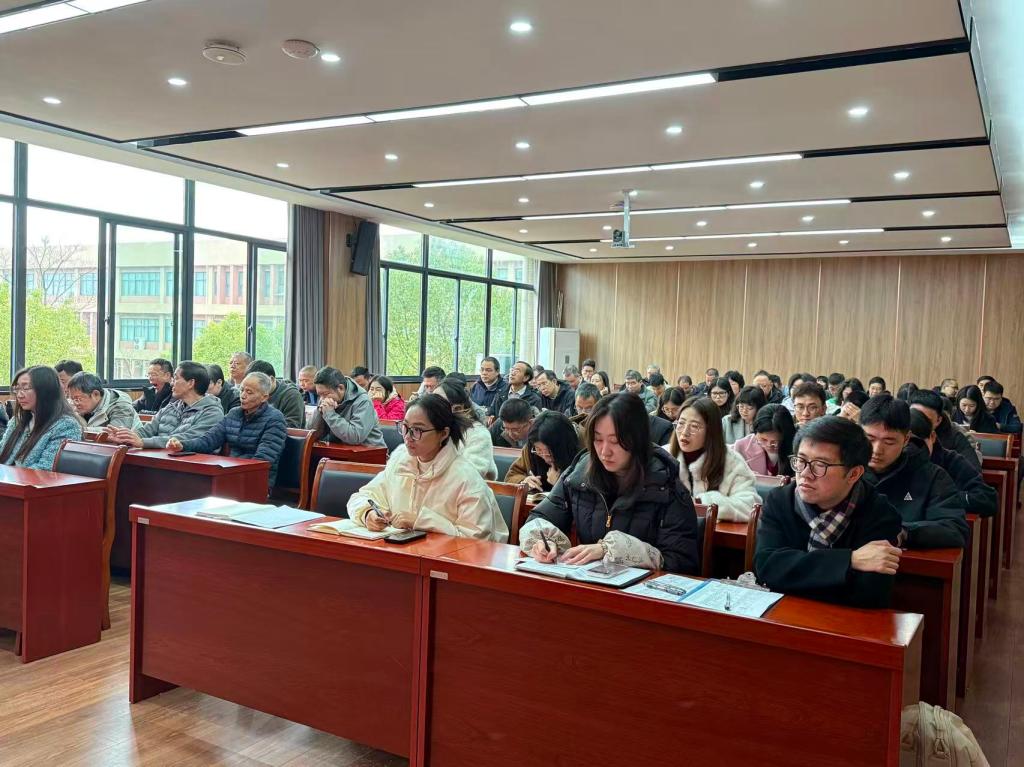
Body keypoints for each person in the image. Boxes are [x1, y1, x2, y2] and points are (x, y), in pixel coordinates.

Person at [519, 393, 699, 573]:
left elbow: (682, 562)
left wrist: (612, 549)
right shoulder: (580, 473)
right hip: (588, 582)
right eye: (598, 439)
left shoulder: (666, 485)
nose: (605, 452)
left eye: (615, 441)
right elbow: (540, 517)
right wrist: (543, 542)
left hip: (642, 588)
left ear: (638, 439)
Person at [754, 416, 904, 608]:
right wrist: (850, 560)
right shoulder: (780, 500)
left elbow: (869, 594)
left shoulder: (880, 514)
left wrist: (793, 571)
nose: (805, 474)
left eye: (820, 465)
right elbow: (767, 567)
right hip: (782, 613)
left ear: (853, 474)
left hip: (845, 620)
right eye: (801, 460)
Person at [860, 395, 968, 548]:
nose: (877, 450)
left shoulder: (932, 476)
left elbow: (955, 529)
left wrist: (904, 532)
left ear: (906, 439)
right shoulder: (842, 469)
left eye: (889, 442)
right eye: (870, 439)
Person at [168, 372, 287, 486]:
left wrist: (229, 475)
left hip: (256, 480)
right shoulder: (234, 414)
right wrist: (183, 445)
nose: (243, 396)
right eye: (241, 390)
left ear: (264, 397)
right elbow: (208, 440)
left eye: (249, 392)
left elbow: (263, 459)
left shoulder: (275, 419)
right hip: (230, 473)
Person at [664, 396, 760, 521]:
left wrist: (705, 502)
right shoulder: (663, 456)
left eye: (694, 426)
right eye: (681, 423)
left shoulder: (731, 461)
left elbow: (750, 507)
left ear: (711, 431)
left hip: (713, 533)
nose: (684, 432)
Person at [109, 361, 224, 449]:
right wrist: (126, 437)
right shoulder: (171, 407)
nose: (172, 383)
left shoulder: (212, 412)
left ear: (190, 383)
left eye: (176, 378)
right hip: (160, 459)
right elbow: (147, 430)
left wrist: (143, 442)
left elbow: (186, 439)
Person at [910, 409, 996, 519]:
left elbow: (987, 499)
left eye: (918, 442)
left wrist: (942, 497)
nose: (912, 449)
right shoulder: (890, 462)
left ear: (932, 437)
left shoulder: (951, 460)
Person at [0, 366, 83, 470]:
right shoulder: (18, 420)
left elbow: (46, 469)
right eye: (17, 389)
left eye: (26, 388)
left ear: (46, 391)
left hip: (31, 479)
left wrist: (7, 475)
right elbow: (2, 451)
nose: (19, 395)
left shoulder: (66, 426)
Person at [308, 366, 386, 447]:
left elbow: (355, 437)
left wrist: (330, 414)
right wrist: (320, 411)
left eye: (325, 394)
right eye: (319, 395)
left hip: (370, 451)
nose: (322, 399)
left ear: (340, 388)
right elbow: (311, 435)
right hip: (339, 450)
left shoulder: (363, 401)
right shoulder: (325, 400)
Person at [436, 379, 497, 480]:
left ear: (458, 409)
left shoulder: (478, 434)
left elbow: (468, 475)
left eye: (438, 405)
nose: (430, 409)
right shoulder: (431, 430)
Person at [504, 411, 581, 489]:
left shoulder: (583, 451)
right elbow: (511, 476)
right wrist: (523, 480)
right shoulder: (531, 448)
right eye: (539, 450)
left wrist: (560, 484)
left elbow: (585, 492)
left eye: (550, 452)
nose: (545, 457)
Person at [909, 389, 982, 470]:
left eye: (926, 420)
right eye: (915, 416)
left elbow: (973, 472)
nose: (919, 421)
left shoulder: (956, 438)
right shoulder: (901, 432)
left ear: (938, 420)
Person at [732, 403, 797, 477]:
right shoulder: (741, 447)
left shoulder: (798, 447)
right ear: (755, 432)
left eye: (776, 441)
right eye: (763, 439)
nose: (769, 445)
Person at [67, 372, 140, 429]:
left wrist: (82, 429)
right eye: (72, 399)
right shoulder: (85, 407)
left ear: (95, 394)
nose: (75, 403)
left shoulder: (121, 406)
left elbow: (116, 434)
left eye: (78, 399)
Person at [245, 360, 305, 428]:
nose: (253, 388)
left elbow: (292, 427)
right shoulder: (248, 394)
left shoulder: (292, 395)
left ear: (272, 379)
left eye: (258, 384)